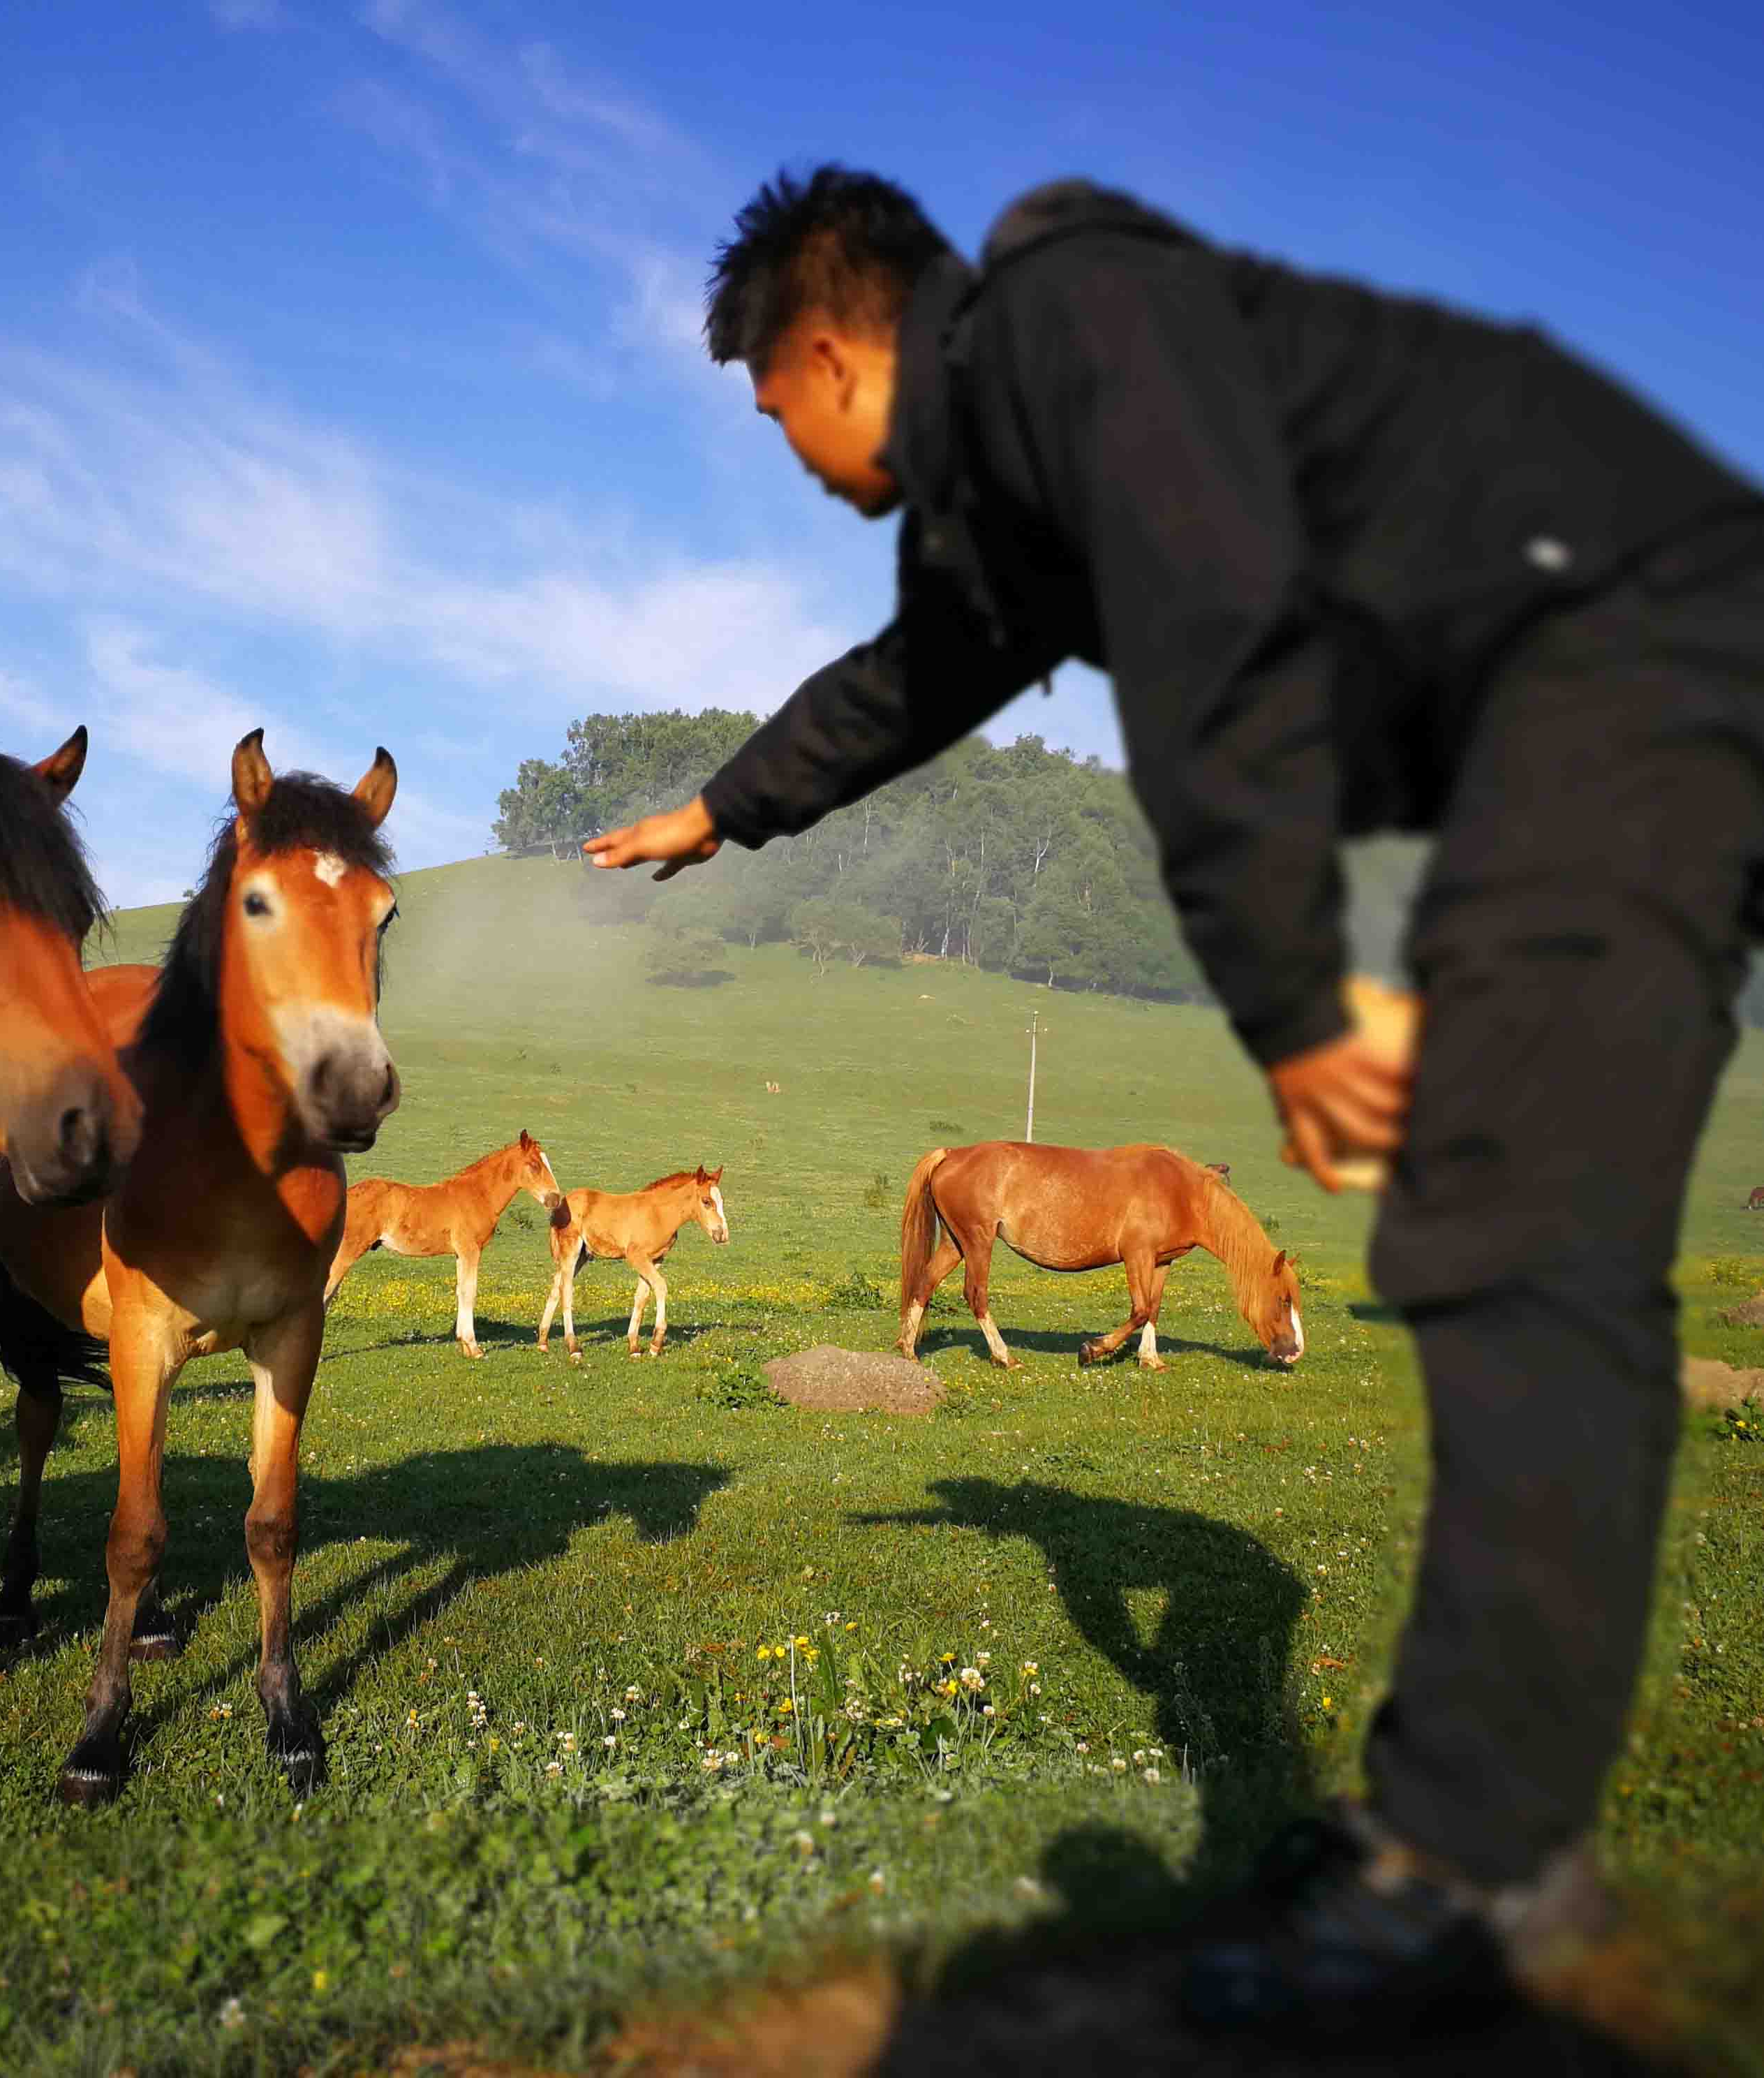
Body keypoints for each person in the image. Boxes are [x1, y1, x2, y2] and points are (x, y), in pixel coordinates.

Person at [587, 165, 1763, 2038]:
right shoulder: (1017, 468)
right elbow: (916, 672)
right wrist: (725, 804)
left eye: (776, 416)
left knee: (1509, 1216)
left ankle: (1469, 1866)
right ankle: (1474, 1837)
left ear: (826, 349)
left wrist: (1292, 1002)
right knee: (1511, 1213)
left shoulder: (1083, 331)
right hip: (1613, 680)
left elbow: (1221, 637)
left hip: (1629, 656)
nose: (793, 460)